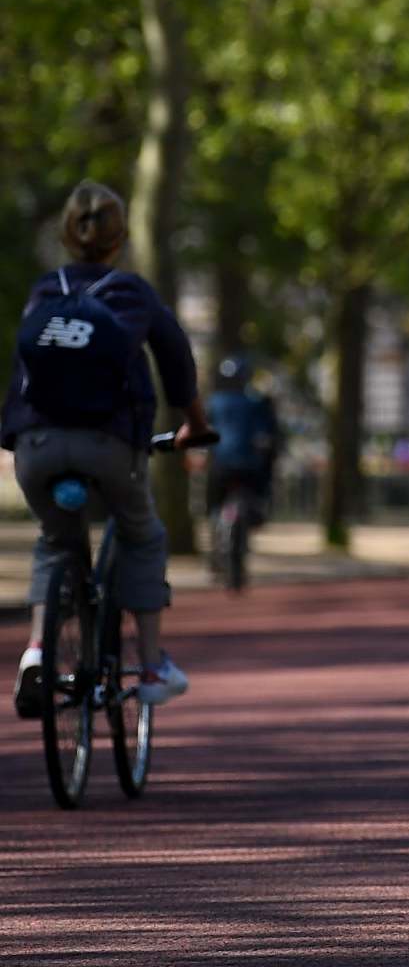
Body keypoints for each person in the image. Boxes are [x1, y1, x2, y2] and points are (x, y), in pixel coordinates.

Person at [6, 181, 210, 716]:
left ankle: (34, 653)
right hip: (109, 442)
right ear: (121, 239)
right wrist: (193, 424)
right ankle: (149, 667)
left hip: (36, 442)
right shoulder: (132, 291)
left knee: (56, 540)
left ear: (68, 235)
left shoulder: (44, 290)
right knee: (142, 535)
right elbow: (177, 364)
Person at [205, 353, 284, 544]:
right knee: (259, 491)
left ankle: (216, 529)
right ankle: (257, 513)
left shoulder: (214, 402)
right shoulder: (256, 402)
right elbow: (268, 435)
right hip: (250, 466)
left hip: (221, 465)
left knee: (215, 499)